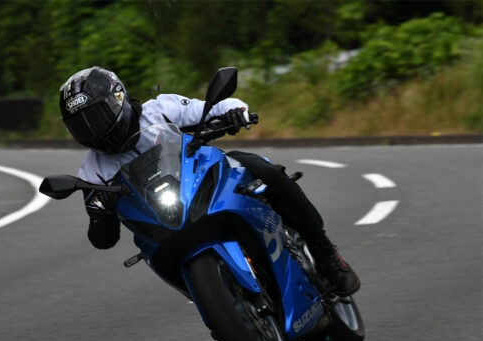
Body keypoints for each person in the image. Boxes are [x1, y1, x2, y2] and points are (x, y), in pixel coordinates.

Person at [59, 66, 360, 296]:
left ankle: (324, 253)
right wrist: (101, 213)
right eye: (80, 126)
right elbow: (103, 239)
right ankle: (222, 305)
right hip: (161, 229)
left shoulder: (160, 109)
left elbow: (211, 108)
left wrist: (235, 112)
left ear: (118, 100)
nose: (92, 131)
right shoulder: (91, 172)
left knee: (258, 166)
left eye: (96, 117)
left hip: (203, 186)